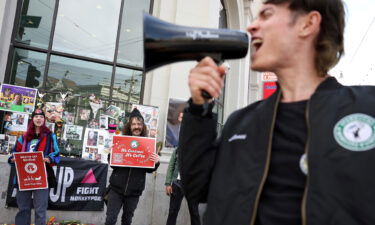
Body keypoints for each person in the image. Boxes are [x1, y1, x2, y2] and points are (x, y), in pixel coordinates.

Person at [178, 1, 375, 225]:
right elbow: (197, 188)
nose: (252, 26)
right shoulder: (241, 122)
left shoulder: (368, 108)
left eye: (266, 14)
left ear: (308, 24)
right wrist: (198, 108)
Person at [105, 108, 160, 225]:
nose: (136, 126)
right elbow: (113, 165)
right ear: (129, 126)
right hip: (116, 189)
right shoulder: (121, 142)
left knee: (127, 221)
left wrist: (156, 162)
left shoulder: (148, 145)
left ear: (143, 126)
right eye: (133, 124)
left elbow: (149, 170)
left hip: (134, 192)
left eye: (139, 124)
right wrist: (112, 154)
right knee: (110, 220)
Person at [8, 108, 60, 225]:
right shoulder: (24, 137)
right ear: (32, 119)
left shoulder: (51, 136)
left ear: (44, 119)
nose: (38, 119)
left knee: (40, 210)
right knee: (23, 209)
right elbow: (14, 152)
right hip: (24, 177)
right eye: (36, 117)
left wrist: (49, 158)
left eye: (41, 117)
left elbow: (56, 154)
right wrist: (13, 158)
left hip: (41, 177)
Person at [165, 148, 200, 225]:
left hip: (192, 185)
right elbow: (171, 166)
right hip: (177, 184)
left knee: (194, 212)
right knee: (172, 212)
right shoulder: (178, 150)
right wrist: (168, 183)